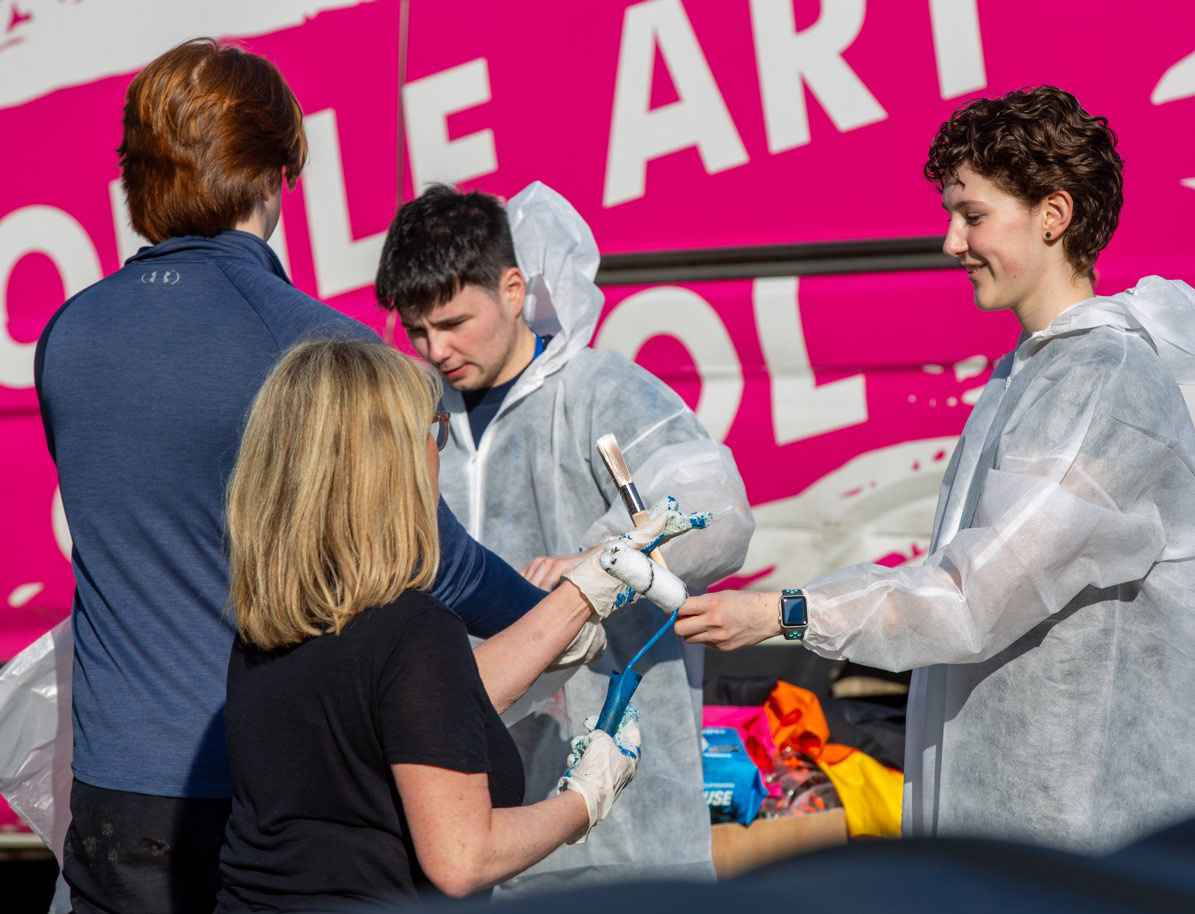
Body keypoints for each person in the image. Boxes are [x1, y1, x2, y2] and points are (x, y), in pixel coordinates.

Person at [33, 39, 598, 914]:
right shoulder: (311, 346)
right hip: (260, 797)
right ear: (275, 170)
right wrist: (568, 613)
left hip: (110, 800)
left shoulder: (68, 335)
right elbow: (426, 560)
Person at [674, 86, 1195, 851]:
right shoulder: (1029, 375)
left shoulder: (1104, 383)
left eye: (973, 215)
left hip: (1081, 836)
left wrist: (786, 611)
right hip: (1026, 834)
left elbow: (972, 595)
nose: (951, 242)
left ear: (1054, 215)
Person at [374, 182, 755, 891]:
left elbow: (719, 509)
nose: (438, 348)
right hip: (467, 817)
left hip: (623, 823)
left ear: (513, 288)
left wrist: (597, 560)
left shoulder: (598, 390)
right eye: (419, 331)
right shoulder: (413, 421)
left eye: (455, 322)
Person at [214, 339, 646, 910]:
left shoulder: (276, 619)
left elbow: (422, 709)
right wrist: (584, 799)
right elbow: (463, 859)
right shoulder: (413, 630)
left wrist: (577, 599)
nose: (436, 449)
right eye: (433, 429)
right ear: (392, 460)